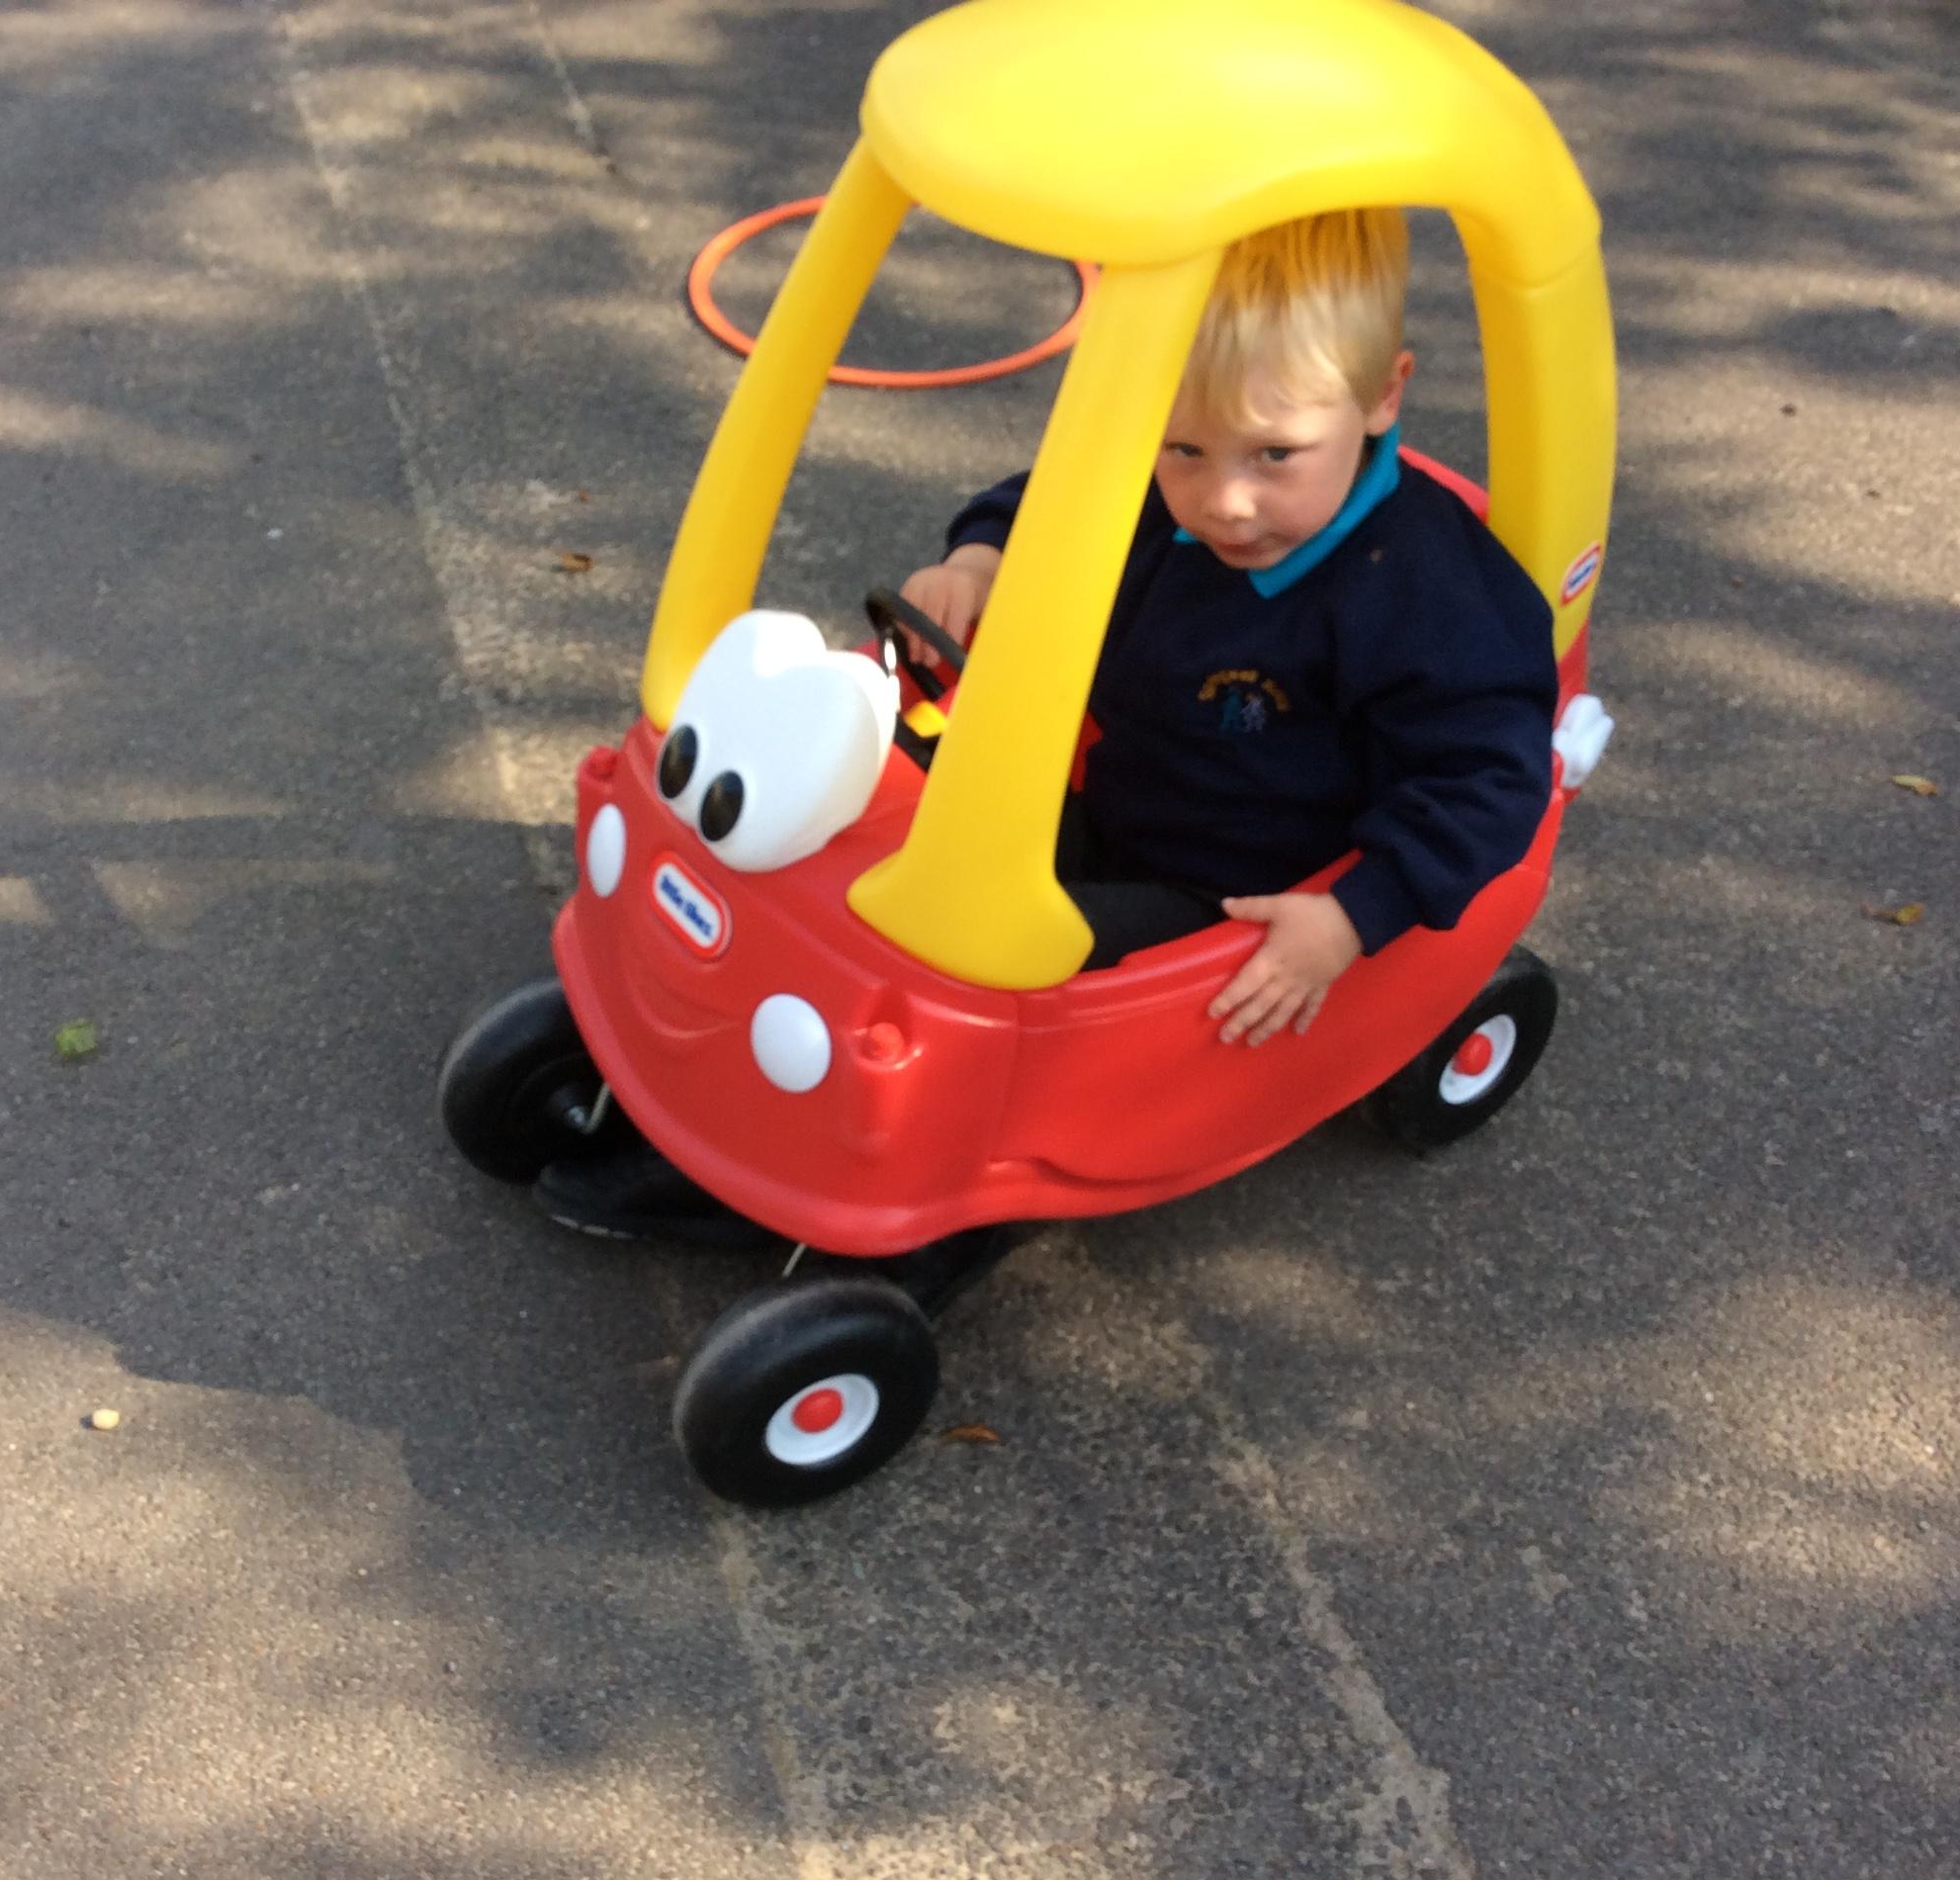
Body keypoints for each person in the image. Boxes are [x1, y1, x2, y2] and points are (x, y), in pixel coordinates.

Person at [536, 207, 1556, 1246]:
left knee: (976, 962)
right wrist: (979, 557)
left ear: (1384, 395)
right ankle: (717, 1017)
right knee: (855, 827)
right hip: (1104, 798)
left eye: (1276, 455)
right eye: (1182, 447)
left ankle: (855, 1147)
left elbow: (1489, 782)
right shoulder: (1171, 493)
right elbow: (1055, 499)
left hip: (1238, 896)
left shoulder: (1426, 595)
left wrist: (1352, 915)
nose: (1225, 501)